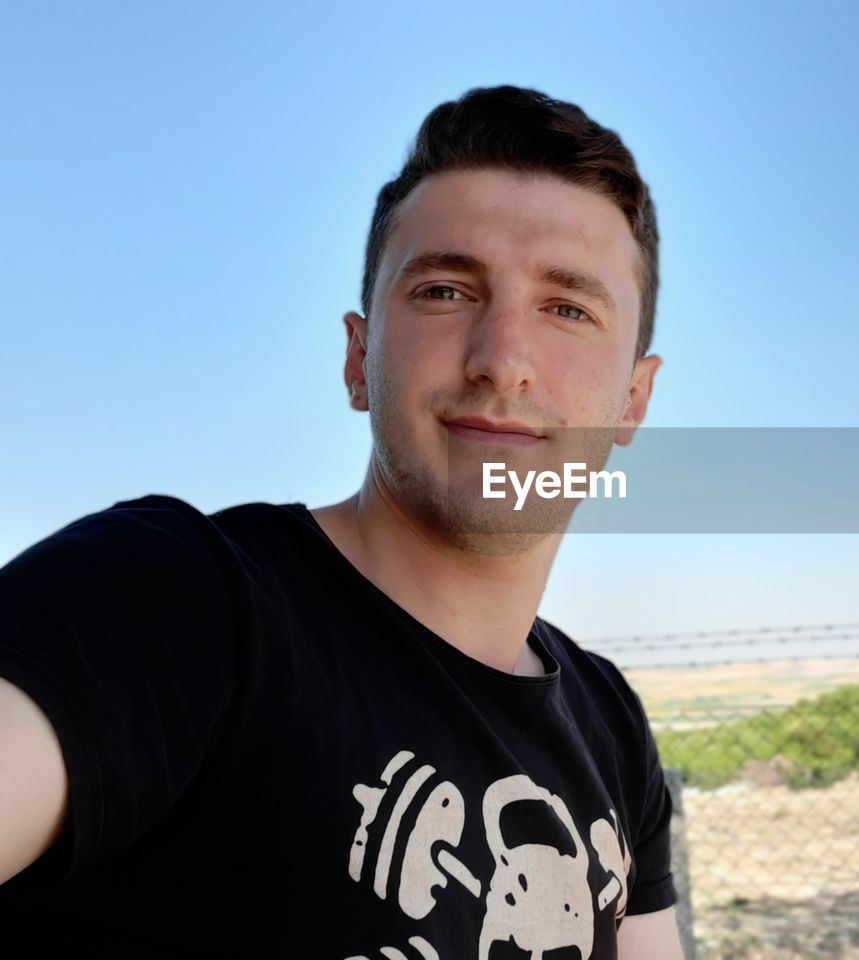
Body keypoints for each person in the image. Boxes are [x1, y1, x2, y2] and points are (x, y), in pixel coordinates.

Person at [0, 84, 683, 959]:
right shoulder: (178, 601)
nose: (503, 361)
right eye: (444, 290)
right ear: (360, 361)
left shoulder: (611, 724)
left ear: (633, 401)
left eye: (567, 309)